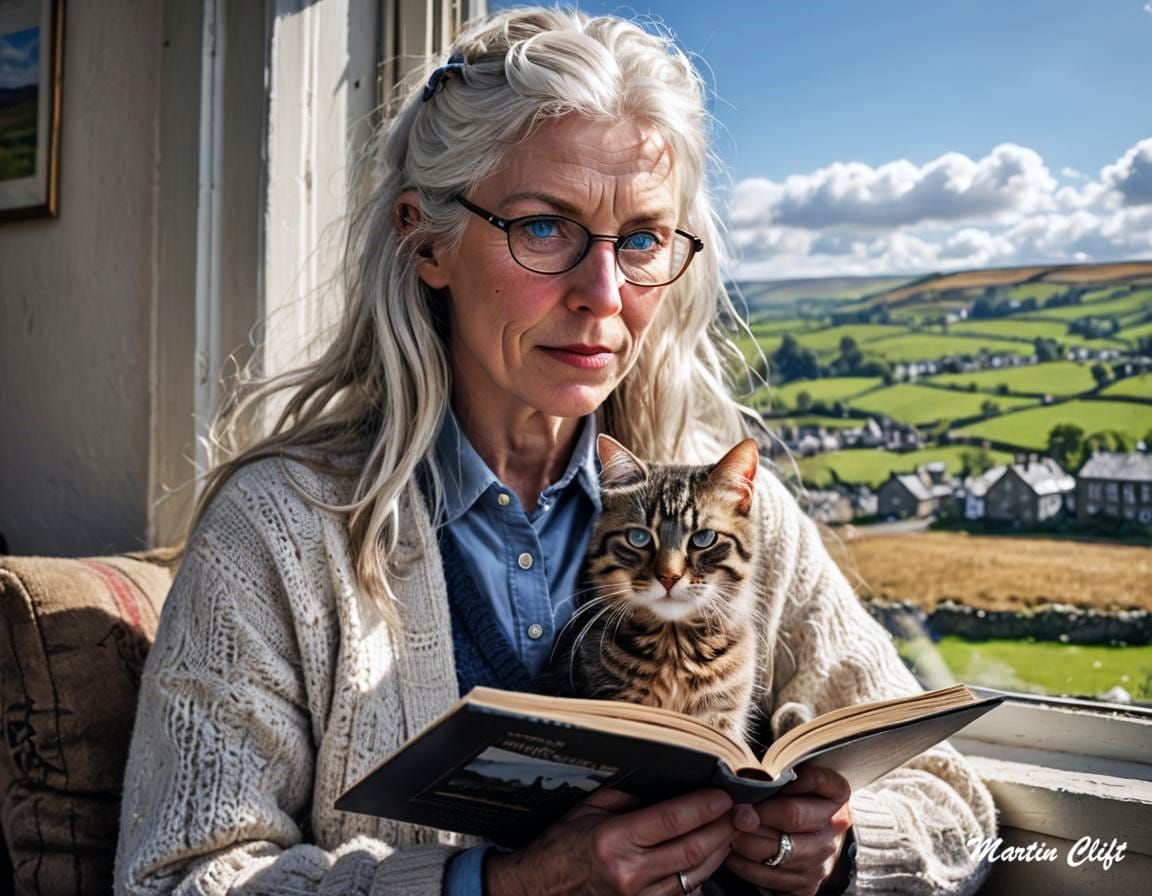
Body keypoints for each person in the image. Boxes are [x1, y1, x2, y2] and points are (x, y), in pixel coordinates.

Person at [114, 7, 996, 895]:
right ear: (426, 240)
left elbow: (953, 807)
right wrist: (496, 887)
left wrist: (839, 848)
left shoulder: (736, 510)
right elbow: (175, 878)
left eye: (643, 239)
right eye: (544, 227)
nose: (602, 295)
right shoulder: (280, 533)